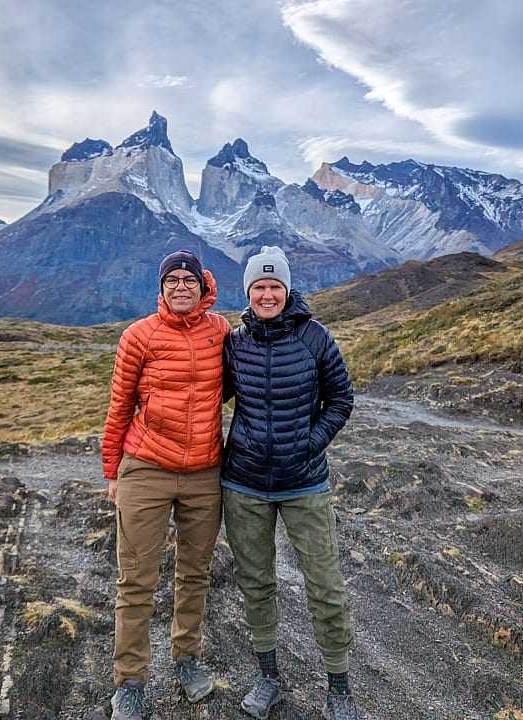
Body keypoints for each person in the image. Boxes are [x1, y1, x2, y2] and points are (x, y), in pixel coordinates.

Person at [222, 246, 361, 720]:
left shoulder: (315, 337)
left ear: (286, 290)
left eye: (273, 286)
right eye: (258, 287)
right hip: (243, 483)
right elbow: (208, 393)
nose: (266, 294)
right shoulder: (235, 341)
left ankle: (339, 688)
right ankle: (268, 678)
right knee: (256, 583)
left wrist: (310, 443)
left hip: (304, 483)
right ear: (248, 292)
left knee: (325, 585)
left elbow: (342, 399)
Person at [100, 250, 231, 720]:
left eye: (188, 280)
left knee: (195, 573)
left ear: (202, 285)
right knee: (136, 579)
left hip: (204, 473)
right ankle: (130, 681)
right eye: (171, 280)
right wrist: (113, 471)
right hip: (147, 467)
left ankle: (186, 659)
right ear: (161, 287)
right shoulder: (138, 336)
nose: (180, 286)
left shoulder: (221, 332)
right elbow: (119, 407)